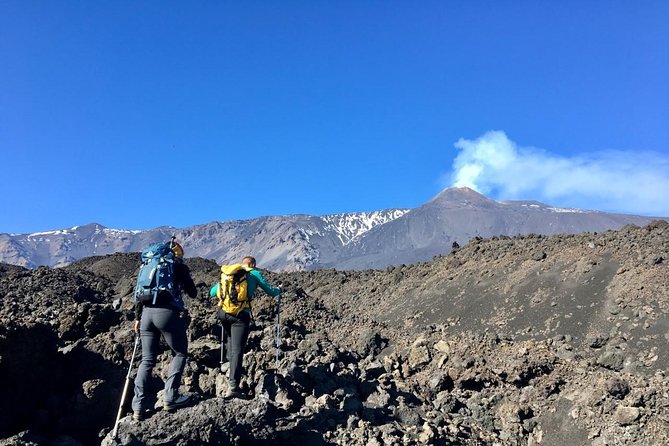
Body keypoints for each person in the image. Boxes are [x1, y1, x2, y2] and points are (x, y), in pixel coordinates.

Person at [131, 241, 197, 420]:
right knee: (180, 353)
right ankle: (171, 396)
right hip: (167, 313)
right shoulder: (176, 266)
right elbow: (193, 293)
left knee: (147, 359)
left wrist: (137, 318)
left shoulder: (146, 267)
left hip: (145, 315)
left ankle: (138, 406)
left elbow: (138, 295)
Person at [210, 256, 281, 398]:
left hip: (223, 313)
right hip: (240, 315)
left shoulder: (229, 274)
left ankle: (228, 366)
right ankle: (233, 387)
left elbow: (213, 292)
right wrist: (279, 290)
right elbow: (271, 291)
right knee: (238, 349)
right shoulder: (254, 273)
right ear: (253, 264)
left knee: (230, 338)